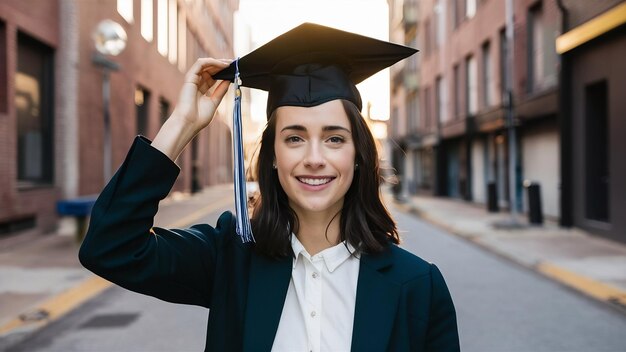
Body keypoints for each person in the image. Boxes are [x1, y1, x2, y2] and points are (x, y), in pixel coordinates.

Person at [79, 23, 460, 351]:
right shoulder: (230, 259)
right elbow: (110, 247)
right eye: (294, 138)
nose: (314, 158)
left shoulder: (417, 286)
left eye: (334, 139)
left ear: (359, 154)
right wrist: (182, 124)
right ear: (273, 154)